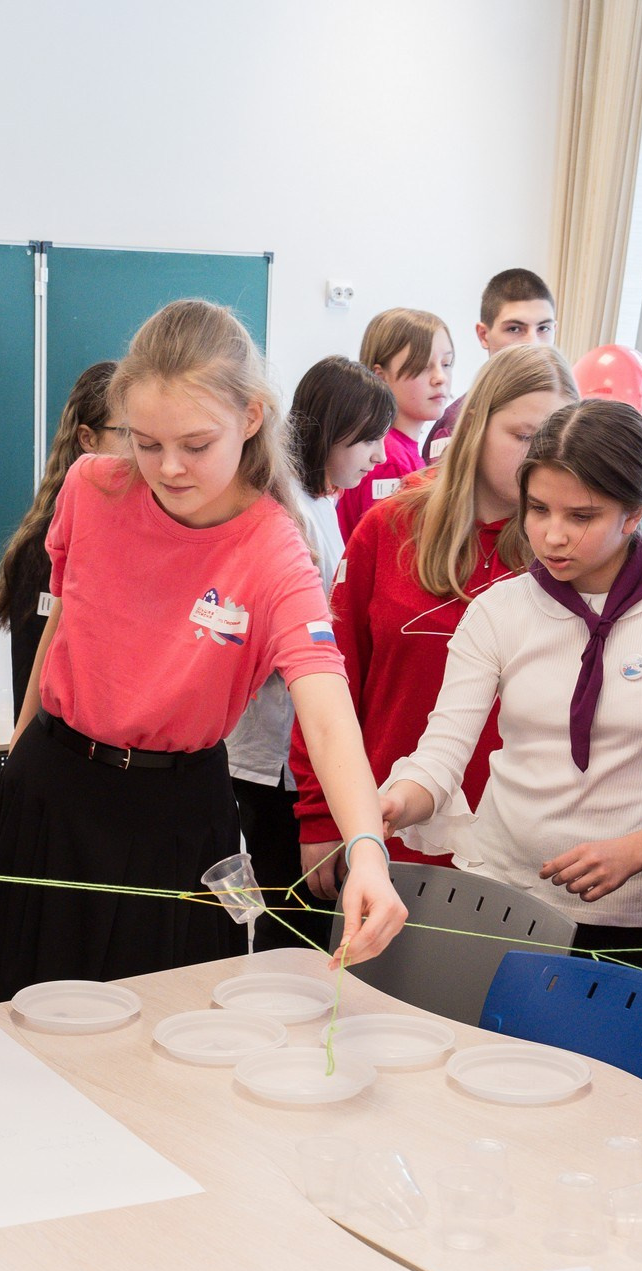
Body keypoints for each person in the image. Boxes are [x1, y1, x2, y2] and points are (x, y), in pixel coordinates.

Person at [0, 299, 407, 998]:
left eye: (196, 444)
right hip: (52, 790)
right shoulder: (91, 487)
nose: (167, 467)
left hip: (176, 816)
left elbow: (326, 704)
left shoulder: (275, 549)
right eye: (144, 440)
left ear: (251, 418)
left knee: (156, 1040)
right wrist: (18, 748)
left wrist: (366, 848)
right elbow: (65, 625)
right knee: (8, 1021)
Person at [379, 399, 642, 964]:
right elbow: (441, 755)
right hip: (493, 897)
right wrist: (393, 802)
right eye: (537, 509)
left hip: (626, 918)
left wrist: (640, 849)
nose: (552, 536)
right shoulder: (499, 611)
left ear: (638, 512)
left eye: (581, 516)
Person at [294, 344, 575, 896]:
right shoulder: (389, 526)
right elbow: (329, 681)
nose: (540, 460)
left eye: (557, 444)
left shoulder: (568, 550)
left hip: (521, 857)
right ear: (474, 425)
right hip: (385, 832)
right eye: (524, 437)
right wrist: (321, 813)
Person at [224, 355, 393, 907]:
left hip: (289, 751)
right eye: (368, 440)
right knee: (284, 907)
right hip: (269, 757)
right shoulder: (287, 509)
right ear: (332, 429)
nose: (380, 455)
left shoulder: (320, 503)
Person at [0, 362, 124, 717]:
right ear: (89, 439)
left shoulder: (142, 540)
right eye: (131, 434)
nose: (152, 455)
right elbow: (37, 693)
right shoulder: (43, 551)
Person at [335, 307, 453, 544]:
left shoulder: (400, 450)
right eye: (423, 366)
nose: (440, 377)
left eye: (447, 363)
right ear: (380, 376)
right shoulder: (388, 459)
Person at [424, 268, 560, 461]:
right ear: (483, 335)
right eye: (514, 329)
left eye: (543, 328)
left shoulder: (568, 415)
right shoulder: (456, 426)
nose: (533, 343)